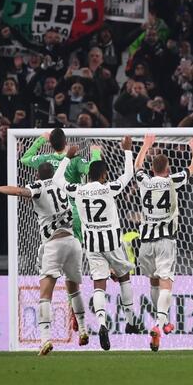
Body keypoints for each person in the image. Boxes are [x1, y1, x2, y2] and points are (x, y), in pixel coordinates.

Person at [0, 158, 89, 356]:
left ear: (37, 175)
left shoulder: (38, 186)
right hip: (73, 243)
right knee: (74, 290)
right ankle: (83, 329)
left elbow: (17, 191)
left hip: (54, 244)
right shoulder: (62, 184)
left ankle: (45, 339)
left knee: (45, 295)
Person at [54, 136, 137, 351]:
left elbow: (57, 180)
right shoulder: (109, 188)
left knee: (99, 284)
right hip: (112, 242)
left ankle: (101, 324)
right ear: (103, 175)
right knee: (124, 277)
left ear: (88, 175)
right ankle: (130, 320)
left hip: (92, 244)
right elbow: (129, 174)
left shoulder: (79, 190)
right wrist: (128, 150)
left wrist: (67, 157)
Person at [134, 134, 193, 351]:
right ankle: (159, 324)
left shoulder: (144, 181)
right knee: (166, 283)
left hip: (145, 243)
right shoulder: (172, 180)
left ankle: (162, 322)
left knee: (154, 282)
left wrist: (146, 145)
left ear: (152, 169)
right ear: (168, 168)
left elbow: (137, 166)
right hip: (165, 241)